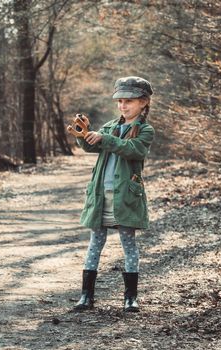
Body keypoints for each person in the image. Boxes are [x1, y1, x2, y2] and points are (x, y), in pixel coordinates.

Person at [73, 76, 155, 312]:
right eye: (119, 101)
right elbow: (91, 145)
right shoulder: (110, 126)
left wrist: (105, 138)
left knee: (129, 245)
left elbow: (132, 149)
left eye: (128, 101)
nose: (122, 105)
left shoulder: (145, 130)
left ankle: (131, 298)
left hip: (126, 198)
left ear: (143, 102)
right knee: (94, 244)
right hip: (101, 196)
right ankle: (86, 296)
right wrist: (83, 133)